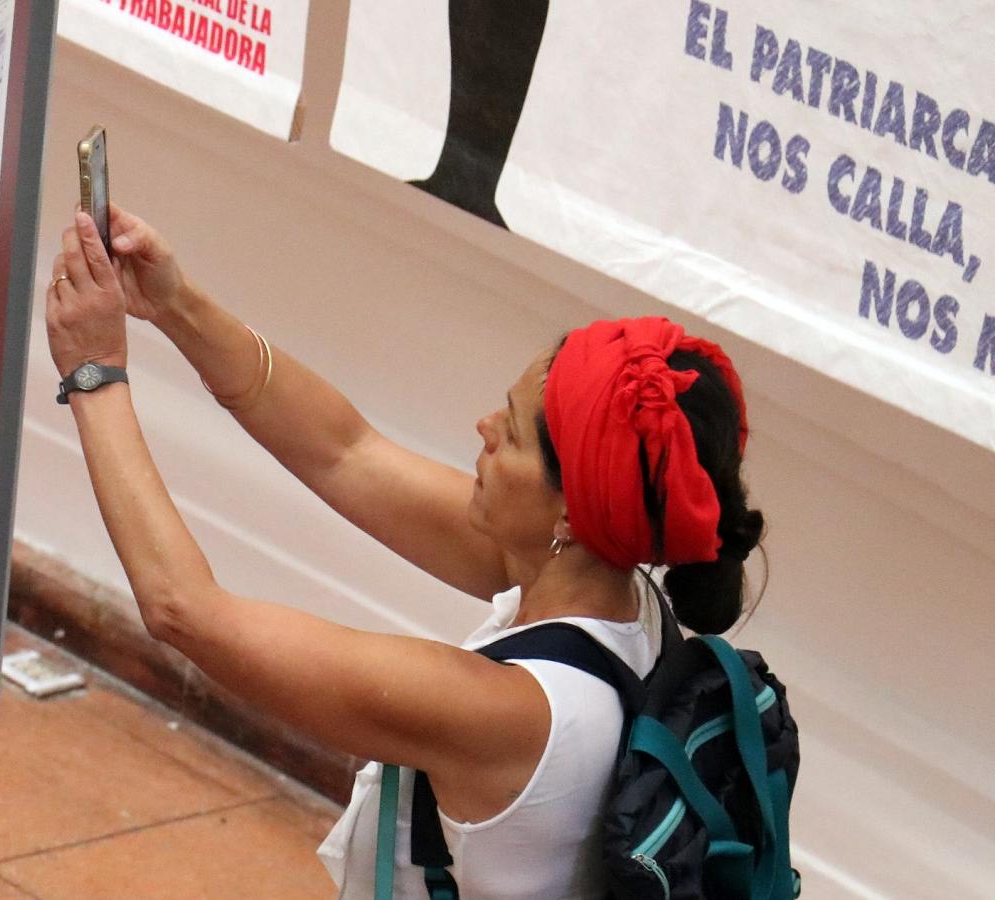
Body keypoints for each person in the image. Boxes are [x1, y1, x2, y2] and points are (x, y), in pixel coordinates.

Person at [42, 204, 764, 898]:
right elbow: (345, 452)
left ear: (573, 509)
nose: (482, 427)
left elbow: (185, 612)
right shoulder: (616, 591)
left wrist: (94, 373)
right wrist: (174, 303)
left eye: (508, 432)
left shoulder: (509, 712)